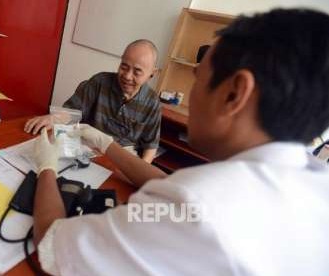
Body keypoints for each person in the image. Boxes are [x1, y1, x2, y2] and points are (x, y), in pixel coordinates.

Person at [31, 9, 329, 275]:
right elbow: (170, 187)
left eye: (197, 78)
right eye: (125, 66)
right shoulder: (316, 187)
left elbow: (52, 246)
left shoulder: (191, 204)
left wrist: (46, 167)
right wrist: (104, 141)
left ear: (234, 94)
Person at [25, 39, 161, 163]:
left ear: (152, 73)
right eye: (124, 67)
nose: (127, 76)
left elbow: (151, 146)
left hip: (122, 155)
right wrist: (53, 118)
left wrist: (141, 171)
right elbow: (72, 111)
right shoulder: (99, 82)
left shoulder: (152, 102)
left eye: (137, 72)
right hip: (88, 146)